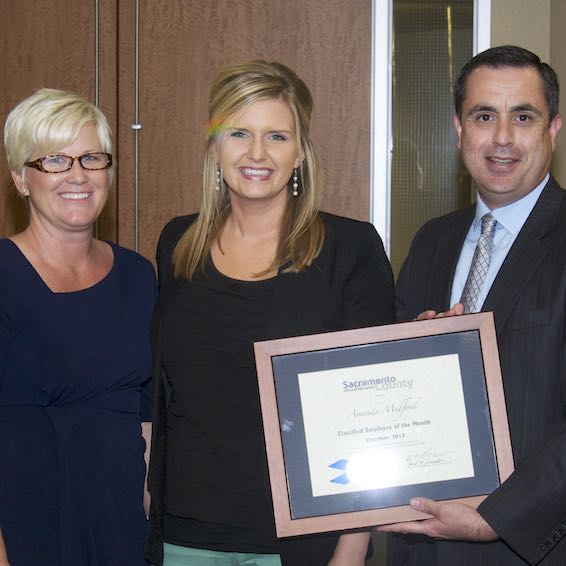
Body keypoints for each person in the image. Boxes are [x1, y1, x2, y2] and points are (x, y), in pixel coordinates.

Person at [145, 60, 395, 566]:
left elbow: (375, 413)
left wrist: (352, 548)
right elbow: (162, 392)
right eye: (239, 132)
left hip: (303, 540)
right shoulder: (177, 242)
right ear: (215, 147)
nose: (257, 153)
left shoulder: (350, 249)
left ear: (300, 150)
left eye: (277, 136)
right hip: (185, 533)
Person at [379, 45, 566, 565]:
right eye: (484, 116)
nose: (502, 137)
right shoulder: (431, 242)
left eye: (522, 117)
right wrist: (410, 358)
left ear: (552, 128)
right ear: (459, 129)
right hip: (421, 547)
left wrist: (497, 517)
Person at [0, 88, 157, 566]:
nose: (78, 175)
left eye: (92, 158)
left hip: (122, 532)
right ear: (20, 180)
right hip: (22, 533)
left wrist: (145, 519)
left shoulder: (138, 274)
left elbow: (146, 415)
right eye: (54, 160)